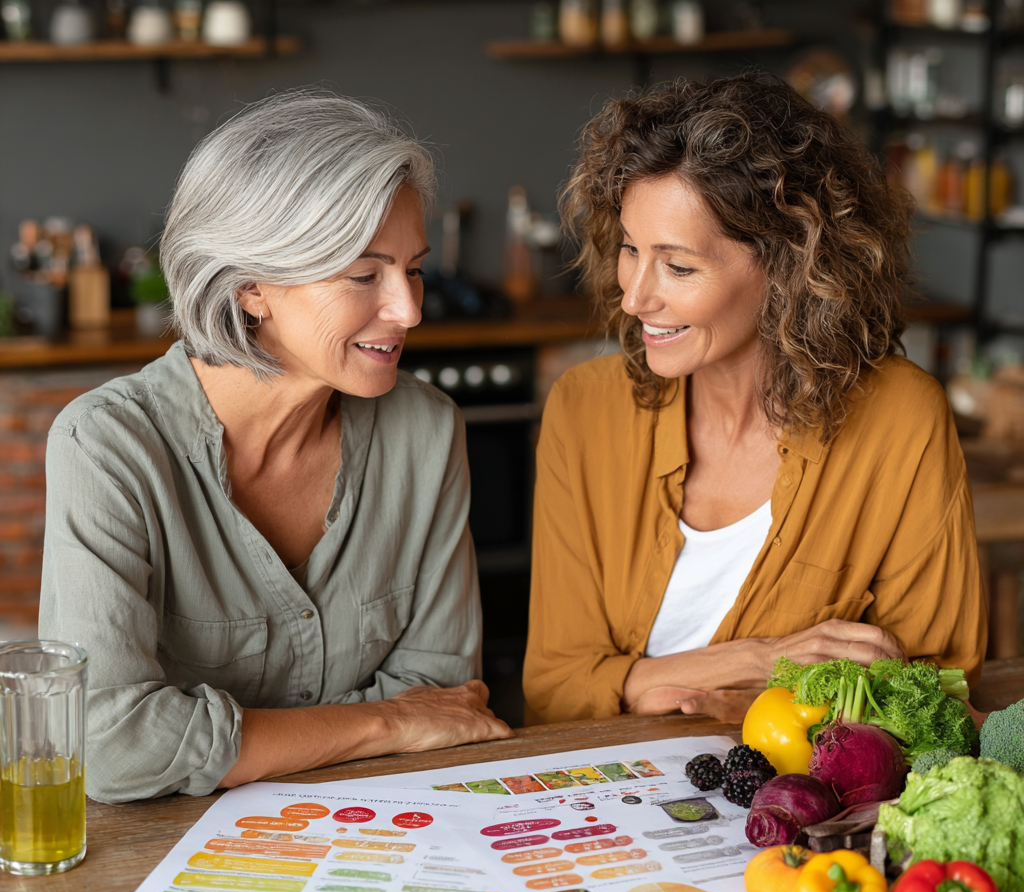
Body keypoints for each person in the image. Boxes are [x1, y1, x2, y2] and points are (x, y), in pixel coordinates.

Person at [40, 91, 513, 803]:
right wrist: (385, 721)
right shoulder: (109, 447)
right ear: (252, 285)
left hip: (387, 827)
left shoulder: (427, 430)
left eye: (413, 268)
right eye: (364, 274)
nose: (410, 309)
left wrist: (219, 742)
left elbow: (445, 695)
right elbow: (107, 744)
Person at [523, 74, 986, 726]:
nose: (635, 297)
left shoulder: (901, 419)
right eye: (631, 250)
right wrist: (769, 660)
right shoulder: (584, 409)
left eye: (678, 267)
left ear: (791, 265)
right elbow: (558, 688)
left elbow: (936, 693)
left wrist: (648, 682)